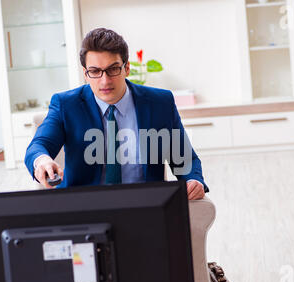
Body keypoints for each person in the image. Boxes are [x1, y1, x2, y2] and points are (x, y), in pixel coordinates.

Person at [24, 28, 208, 200]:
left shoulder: (160, 103)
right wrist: (42, 161)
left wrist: (194, 181)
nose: (105, 81)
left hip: (146, 205)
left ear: (126, 68)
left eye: (113, 69)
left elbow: (184, 159)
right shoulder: (66, 105)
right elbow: (39, 145)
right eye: (95, 71)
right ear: (86, 74)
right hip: (84, 207)